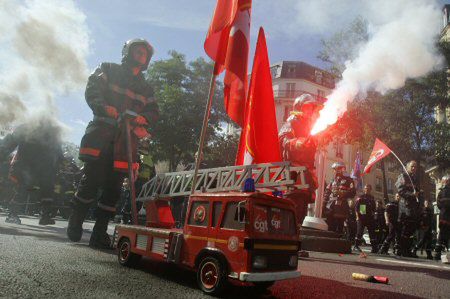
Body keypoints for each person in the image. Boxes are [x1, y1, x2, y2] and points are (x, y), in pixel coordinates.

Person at [67, 38, 159, 249]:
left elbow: (154, 111)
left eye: (144, 53)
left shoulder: (146, 88)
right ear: (127, 51)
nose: (141, 55)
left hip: (125, 143)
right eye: (137, 51)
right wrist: (102, 107)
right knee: (92, 180)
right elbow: (93, 90)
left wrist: (143, 119)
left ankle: (99, 233)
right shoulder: (107, 68)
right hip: (102, 136)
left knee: (114, 189)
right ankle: (76, 220)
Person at [0, 117, 63, 225]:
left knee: (42, 189)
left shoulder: (47, 132)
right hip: (30, 166)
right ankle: (16, 214)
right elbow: (58, 153)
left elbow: (9, 143)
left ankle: (44, 216)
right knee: (33, 189)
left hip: (36, 166)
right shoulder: (32, 129)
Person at [279, 94, 323, 226]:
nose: (310, 110)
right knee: (292, 204)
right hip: (293, 170)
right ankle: (286, 236)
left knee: (302, 208)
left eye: (311, 108)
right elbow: (283, 139)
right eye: (307, 107)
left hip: (307, 172)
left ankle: (295, 236)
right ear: (299, 107)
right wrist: (299, 143)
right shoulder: (291, 122)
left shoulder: (311, 126)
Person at [396, 160, 421, 257]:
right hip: (405, 207)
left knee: (411, 229)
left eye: (415, 166)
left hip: (414, 208)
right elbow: (400, 191)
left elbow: (418, 193)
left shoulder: (415, 179)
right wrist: (412, 195)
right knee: (405, 228)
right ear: (407, 167)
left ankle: (408, 249)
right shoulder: (403, 176)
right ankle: (402, 249)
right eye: (412, 166)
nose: (414, 168)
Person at [324, 162, 356, 234]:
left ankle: (338, 240)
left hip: (341, 206)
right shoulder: (333, 180)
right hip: (330, 206)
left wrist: (343, 193)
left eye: (335, 169)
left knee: (339, 225)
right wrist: (324, 203)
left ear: (341, 169)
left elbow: (353, 192)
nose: (334, 171)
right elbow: (327, 191)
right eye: (334, 169)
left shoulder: (349, 180)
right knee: (329, 225)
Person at [353, 184, 378, 253]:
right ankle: (356, 246)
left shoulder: (372, 198)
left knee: (372, 233)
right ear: (364, 189)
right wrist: (358, 217)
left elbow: (374, 208)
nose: (367, 189)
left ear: (371, 190)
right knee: (359, 232)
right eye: (366, 188)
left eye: (369, 188)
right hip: (362, 217)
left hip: (370, 218)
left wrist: (374, 214)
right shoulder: (361, 197)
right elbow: (357, 208)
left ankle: (374, 248)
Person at [434, 174, 450, 261]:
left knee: (441, 234)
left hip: (443, 216)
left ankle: (437, 254)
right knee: (446, 235)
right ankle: (444, 253)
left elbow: (439, 204)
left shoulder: (441, 192)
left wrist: (444, 208)